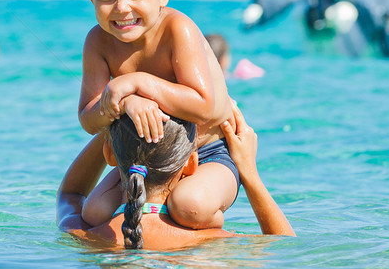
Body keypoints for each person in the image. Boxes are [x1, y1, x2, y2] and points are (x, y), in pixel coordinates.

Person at [79, 0, 237, 229]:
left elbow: (208, 106)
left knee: (189, 206)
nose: (122, 7)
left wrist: (136, 84)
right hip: (141, 161)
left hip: (206, 154)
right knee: (94, 213)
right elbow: (88, 119)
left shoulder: (178, 30)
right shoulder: (97, 42)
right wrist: (122, 104)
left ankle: (209, 245)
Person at [57, 104, 294, 250]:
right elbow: (286, 249)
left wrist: (112, 129)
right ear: (192, 164)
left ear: (109, 153)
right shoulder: (214, 243)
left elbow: (70, 193)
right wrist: (249, 172)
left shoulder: (83, 235)